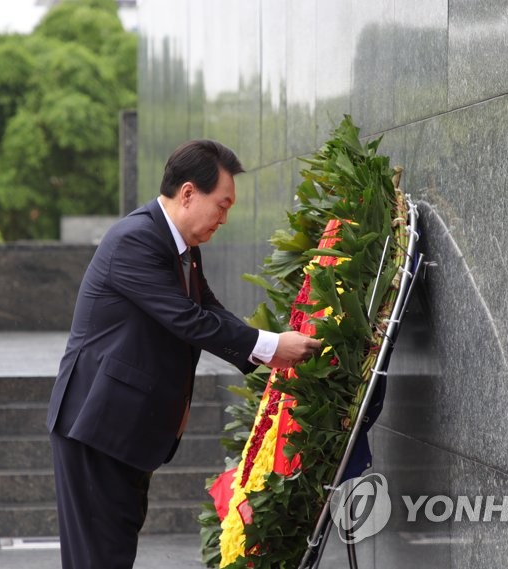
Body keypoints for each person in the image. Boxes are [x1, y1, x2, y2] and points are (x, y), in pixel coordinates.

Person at [46, 139, 322, 568]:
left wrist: (270, 353)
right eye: (222, 205)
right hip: (96, 426)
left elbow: (207, 308)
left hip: (123, 430)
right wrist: (270, 346)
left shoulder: (180, 245)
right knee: (99, 557)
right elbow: (186, 320)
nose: (225, 219)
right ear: (189, 193)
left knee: (112, 551)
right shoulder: (135, 239)